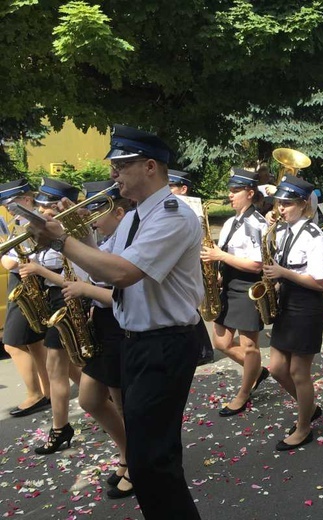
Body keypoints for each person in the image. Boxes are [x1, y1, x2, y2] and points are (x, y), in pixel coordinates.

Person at [26, 125, 204, 519]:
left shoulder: (172, 215)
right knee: (145, 456)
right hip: (138, 341)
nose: (113, 174)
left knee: (152, 460)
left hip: (165, 342)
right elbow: (103, 271)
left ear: (151, 167)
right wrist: (80, 236)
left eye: (122, 165)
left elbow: (124, 274)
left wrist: (60, 240)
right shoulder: (134, 217)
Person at [62, 180, 134, 498]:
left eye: (96, 211)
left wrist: (85, 290)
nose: (91, 217)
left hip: (119, 325)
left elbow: (119, 293)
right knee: (90, 399)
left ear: (117, 212)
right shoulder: (105, 240)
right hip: (104, 324)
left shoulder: (127, 242)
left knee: (120, 402)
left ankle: (134, 463)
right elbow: (86, 271)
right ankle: (127, 452)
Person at [262, 174, 323, 451]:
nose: (281, 209)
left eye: (287, 204)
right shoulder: (284, 231)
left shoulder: (315, 235)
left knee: (300, 372)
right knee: (277, 368)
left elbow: (320, 282)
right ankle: (309, 408)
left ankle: (304, 428)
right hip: (286, 302)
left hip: (306, 306)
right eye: (279, 203)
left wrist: (283, 273)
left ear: (303, 204)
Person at [200, 169, 270, 416]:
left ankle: (244, 392)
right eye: (230, 190)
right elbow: (228, 255)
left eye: (235, 191)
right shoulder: (231, 221)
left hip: (248, 286)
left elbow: (256, 264)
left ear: (250, 193)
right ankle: (257, 371)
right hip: (229, 284)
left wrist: (219, 255)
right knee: (220, 341)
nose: (230, 195)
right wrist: (217, 274)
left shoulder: (257, 224)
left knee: (250, 346)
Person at [21, 177, 83, 454]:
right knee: (70, 366)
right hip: (50, 298)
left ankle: (60, 428)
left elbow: (76, 278)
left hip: (66, 299)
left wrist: (39, 271)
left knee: (55, 367)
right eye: (42, 205)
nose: (44, 211)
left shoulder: (70, 235)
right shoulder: (44, 233)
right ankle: (104, 403)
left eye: (49, 206)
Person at [0, 179, 51, 417]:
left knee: (12, 343)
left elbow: (26, 259)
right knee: (34, 342)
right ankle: (46, 391)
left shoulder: (33, 222)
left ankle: (35, 394)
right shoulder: (17, 222)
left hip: (27, 280)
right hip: (22, 280)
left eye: (10, 202)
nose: (7, 207)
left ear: (26, 199)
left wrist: (10, 259)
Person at [168, 169, 215, 365]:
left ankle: (204, 349)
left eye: (171, 187)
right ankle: (203, 348)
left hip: (191, 261)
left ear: (183, 189)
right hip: (180, 260)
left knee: (189, 305)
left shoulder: (192, 211)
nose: (167, 190)